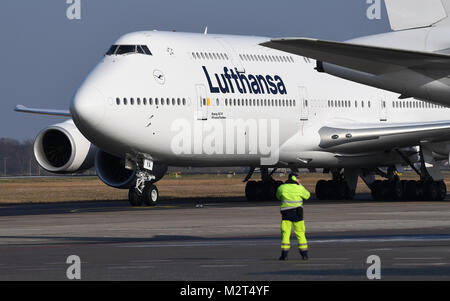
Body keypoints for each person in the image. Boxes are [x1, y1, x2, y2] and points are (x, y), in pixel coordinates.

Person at [276, 173, 310, 261]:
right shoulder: (299, 188)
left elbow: (278, 196)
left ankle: (284, 255)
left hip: (286, 214)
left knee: (285, 234)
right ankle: (304, 255)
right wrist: (301, 186)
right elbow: (307, 196)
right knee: (300, 233)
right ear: (295, 179)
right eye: (299, 178)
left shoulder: (282, 187)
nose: (300, 180)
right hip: (298, 213)